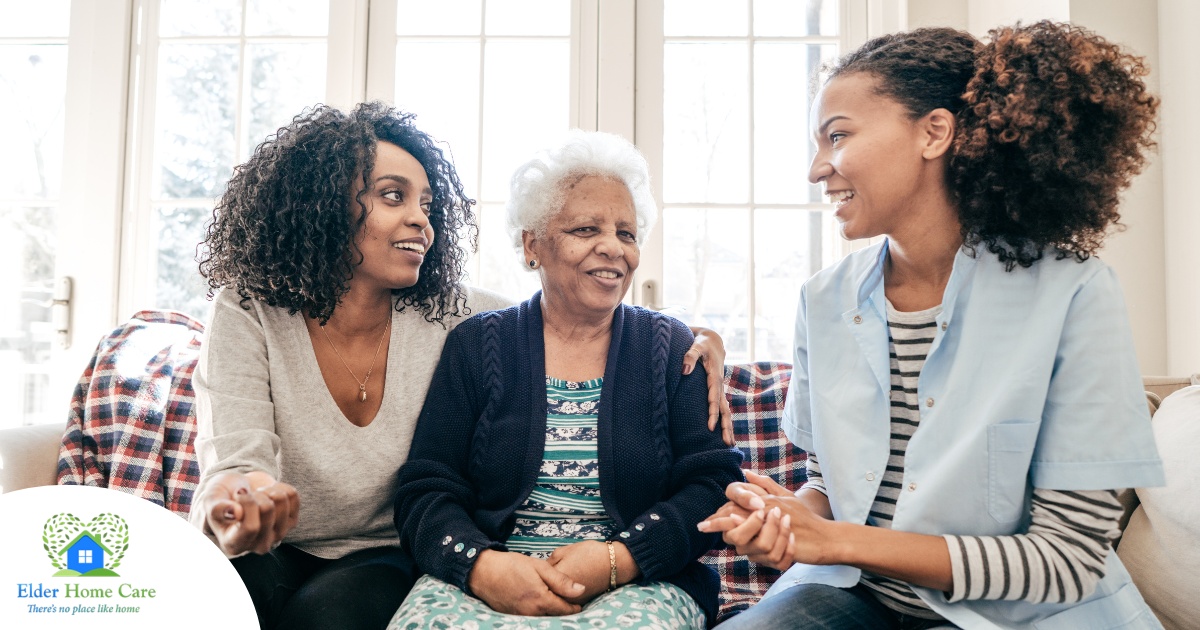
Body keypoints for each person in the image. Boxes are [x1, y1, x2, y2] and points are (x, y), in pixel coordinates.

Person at [190, 103, 732, 630]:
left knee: (326, 618)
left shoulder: (453, 313)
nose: (420, 219)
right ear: (323, 203)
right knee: (213, 602)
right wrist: (236, 500)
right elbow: (236, 461)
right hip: (281, 547)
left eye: (426, 203)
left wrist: (695, 338)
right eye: (393, 196)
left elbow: (580, 314)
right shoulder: (250, 309)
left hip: (380, 555)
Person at [700, 22, 1165, 630]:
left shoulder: (1074, 294)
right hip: (854, 599)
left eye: (837, 136)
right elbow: (829, 485)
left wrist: (835, 540)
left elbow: (1065, 561)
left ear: (934, 132)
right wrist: (788, 523)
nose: (818, 169)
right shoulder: (823, 300)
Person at [388, 131, 744, 629]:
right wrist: (480, 566)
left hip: (638, 582)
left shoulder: (670, 347)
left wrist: (620, 558)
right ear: (533, 245)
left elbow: (713, 482)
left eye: (627, 232)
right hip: (493, 575)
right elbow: (427, 488)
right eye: (585, 230)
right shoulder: (478, 344)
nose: (612, 248)